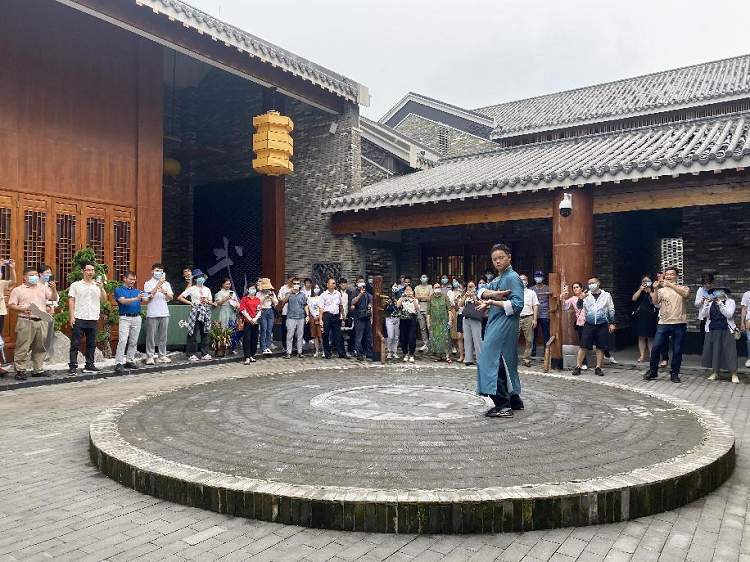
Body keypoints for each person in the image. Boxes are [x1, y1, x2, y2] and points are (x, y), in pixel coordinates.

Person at [476, 244, 524, 418]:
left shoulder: (512, 277)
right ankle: (513, 399)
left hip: (504, 323)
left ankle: (502, 405)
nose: (497, 261)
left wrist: (492, 302)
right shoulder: (499, 278)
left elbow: (518, 304)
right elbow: (480, 290)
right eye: (494, 259)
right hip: (498, 323)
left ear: (509, 257)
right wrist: (492, 294)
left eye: (501, 258)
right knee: (504, 360)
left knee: (489, 360)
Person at [644, 266, 691, 383]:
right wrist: (655, 290)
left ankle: (674, 373)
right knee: (656, 347)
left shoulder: (683, 288)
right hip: (663, 323)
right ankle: (653, 371)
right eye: (667, 274)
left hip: (679, 322)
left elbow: (686, 295)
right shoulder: (661, 290)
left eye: (672, 274)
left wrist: (670, 285)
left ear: (677, 276)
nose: (669, 276)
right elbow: (655, 302)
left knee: (677, 349)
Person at [8, 267, 55, 380]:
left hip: (41, 320)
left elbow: (53, 298)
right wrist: (22, 308)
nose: (35, 277)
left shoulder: (43, 288)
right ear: (25, 277)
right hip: (26, 321)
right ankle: (20, 370)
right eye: (31, 275)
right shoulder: (18, 290)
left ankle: (38, 370)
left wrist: (53, 289)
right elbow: (11, 305)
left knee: (40, 346)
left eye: (36, 275)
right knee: (22, 347)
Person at [572, 277, 616, 377]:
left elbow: (611, 309)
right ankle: (578, 367)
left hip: (602, 324)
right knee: (583, 346)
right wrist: (581, 298)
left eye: (593, 282)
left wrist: (612, 323)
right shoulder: (586, 295)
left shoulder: (606, 295)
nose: (591, 285)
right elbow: (579, 307)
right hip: (589, 324)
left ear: (598, 283)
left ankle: (598, 368)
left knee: (600, 347)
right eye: (589, 283)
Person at [68, 261, 106, 375]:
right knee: (75, 344)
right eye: (88, 270)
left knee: (91, 343)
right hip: (79, 317)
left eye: (92, 270)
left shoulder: (97, 285)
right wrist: (72, 316)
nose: (91, 272)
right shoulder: (75, 285)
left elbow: (104, 299)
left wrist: (102, 288)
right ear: (82, 271)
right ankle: (73, 366)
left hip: (93, 318)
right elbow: (71, 300)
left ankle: (89, 365)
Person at [699, 287, 740, 383]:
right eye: (715, 291)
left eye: (720, 290)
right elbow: (704, 315)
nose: (717, 292)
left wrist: (721, 304)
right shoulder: (710, 302)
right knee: (714, 351)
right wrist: (705, 304)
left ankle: (734, 374)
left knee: (729, 352)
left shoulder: (730, 302)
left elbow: (729, 315)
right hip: (713, 328)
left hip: (726, 329)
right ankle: (715, 372)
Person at [177, 269, 213, 362]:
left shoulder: (207, 289)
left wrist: (207, 301)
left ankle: (205, 353)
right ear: (195, 279)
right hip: (196, 311)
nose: (201, 279)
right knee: (193, 332)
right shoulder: (192, 288)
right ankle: (191, 353)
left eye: (202, 277)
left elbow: (211, 301)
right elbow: (180, 297)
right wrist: (190, 303)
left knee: (205, 332)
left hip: (205, 310)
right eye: (198, 277)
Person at [114, 270, 145, 373]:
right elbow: (123, 301)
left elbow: (147, 299)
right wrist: (137, 298)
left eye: (134, 279)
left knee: (134, 341)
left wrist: (152, 293)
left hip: (137, 317)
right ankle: (118, 362)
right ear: (125, 278)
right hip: (125, 318)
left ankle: (129, 360)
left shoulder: (137, 291)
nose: (132, 281)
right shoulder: (119, 290)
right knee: (123, 340)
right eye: (131, 279)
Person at [143, 263, 173, 365]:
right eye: (157, 271)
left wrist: (164, 292)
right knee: (150, 336)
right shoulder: (147, 283)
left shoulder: (167, 284)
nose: (159, 273)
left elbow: (170, 297)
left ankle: (162, 355)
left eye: (160, 271)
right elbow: (147, 297)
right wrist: (158, 285)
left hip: (164, 313)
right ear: (152, 271)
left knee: (163, 336)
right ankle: (150, 356)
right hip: (152, 313)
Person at [560, 282, 589, 370]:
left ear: (581, 288)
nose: (575, 289)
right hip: (581, 323)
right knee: (583, 343)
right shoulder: (573, 299)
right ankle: (583, 362)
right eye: (574, 288)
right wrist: (562, 298)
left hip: (591, 321)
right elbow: (565, 307)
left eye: (577, 287)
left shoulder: (588, 296)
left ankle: (606, 353)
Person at [632, 275, 659, 363]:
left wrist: (650, 291)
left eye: (648, 281)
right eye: (644, 281)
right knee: (641, 336)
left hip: (651, 315)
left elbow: (655, 301)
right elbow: (634, 299)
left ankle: (652, 355)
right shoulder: (639, 290)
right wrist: (640, 290)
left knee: (651, 337)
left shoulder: (654, 290)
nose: (646, 283)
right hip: (641, 316)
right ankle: (642, 355)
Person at [282, 278, 308, 359]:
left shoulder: (302, 294)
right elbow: (284, 301)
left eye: (298, 283)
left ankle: (299, 352)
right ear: (292, 284)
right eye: (295, 283)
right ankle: (288, 352)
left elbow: (305, 305)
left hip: (301, 317)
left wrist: (307, 315)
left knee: (300, 335)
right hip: (291, 317)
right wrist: (291, 292)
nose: (296, 285)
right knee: (290, 335)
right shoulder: (288, 293)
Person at [320, 277, 346, 359]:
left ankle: (341, 353)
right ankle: (327, 353)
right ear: (327, 285)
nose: (333, 284)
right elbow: (321, 308)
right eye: (332, 283)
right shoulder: (323, 295)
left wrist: (343, 314)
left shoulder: (338, 293)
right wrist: (320, 319)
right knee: (326, 335)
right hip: (327, 315)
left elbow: (341, 305)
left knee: (338, 335)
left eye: (334, 283)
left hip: (336, 315)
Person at [427, 282, 453, 362]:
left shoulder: (445, 297)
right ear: (433, 288)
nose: (437, 288)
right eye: (436, 287)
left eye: (438, 287)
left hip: (444, 321)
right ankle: (438, 356)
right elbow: (428, 312)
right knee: (436, 338)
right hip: (434, 322)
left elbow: (449, 310)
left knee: (446, 337)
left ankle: (448, 356)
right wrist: (428, 323)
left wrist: (450, 321)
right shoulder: (430, 298)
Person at [518, 274, 539, 368]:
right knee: (513, 339)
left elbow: (535, 306)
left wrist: (535, 319)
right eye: (521, 279)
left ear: (527, 281)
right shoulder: (514, 292)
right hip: (516, 318)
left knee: (529, 340)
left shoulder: (532, 293)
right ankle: (512, 358)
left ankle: (527, 359)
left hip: (528, 317)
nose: (522, 281)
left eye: (524, 279)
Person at [529, 270, 551, 358]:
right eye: (536, 276)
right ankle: (533, 351)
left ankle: (546, 352)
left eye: (540, 276)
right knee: (533, 334)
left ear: (543, 278)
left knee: (546, 334)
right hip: (534, 315)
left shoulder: (548, 288)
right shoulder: (531, 289)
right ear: (534, 277)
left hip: (545, 314)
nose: (538, 278)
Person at [350, 276, 373, 361]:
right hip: (359, 317)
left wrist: (370, 305)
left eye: (363, 281)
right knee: (359, 336)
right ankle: (359, 353)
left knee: (368, 336)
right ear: (356, 283)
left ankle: (369, 352)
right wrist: (360, 294)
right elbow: (353, 302)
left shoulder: (367, 293)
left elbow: (371, 301)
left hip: (366, 316)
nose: (362, 283)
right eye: (360, 281)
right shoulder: (355, 292)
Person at [239, 284, 261, 364]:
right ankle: (247, 356)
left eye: (254, 288)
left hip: (255, 321)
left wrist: (255, 319)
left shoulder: (257, 299)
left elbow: (259, 310)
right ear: (248, 290)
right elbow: (243, 310)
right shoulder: (245, 299)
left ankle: (252, 354)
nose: (253, 290)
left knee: (254, 338)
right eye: (251, 288)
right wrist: (250, 319)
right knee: (247, 338)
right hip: (247, 321)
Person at [397, 286, 417, 362]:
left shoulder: (415, 299)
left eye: (410, 290)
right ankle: (405, 353)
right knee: (403, 336)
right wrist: (403, 296)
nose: (408, 291)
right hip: (403, 318)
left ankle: (411, 354)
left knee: (411, 336)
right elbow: (397, 305)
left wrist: (413, 298)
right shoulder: (402, 299)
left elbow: (417, 308)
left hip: (412, 317)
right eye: (406, 290)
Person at [257, 278, 278, 354]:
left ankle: (268, 346)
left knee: (269, 330)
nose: (266, 289)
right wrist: (264, 298)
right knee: (263, 329)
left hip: (270, 311)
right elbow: (257, 304)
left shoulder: (271, 292)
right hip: (262, 311)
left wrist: (271, 298)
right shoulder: (258, 294)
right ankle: (263, 347)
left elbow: (276, 303)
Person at [695, 273, 715, 349]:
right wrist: (702, 301)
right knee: (704, 338)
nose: (707, 285)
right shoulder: (701, 290)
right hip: (704, 317)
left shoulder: (717, 290)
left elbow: (723, 301)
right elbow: (696, 304)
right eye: (705, 283)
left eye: (709, 283)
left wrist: (713, 300)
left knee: (715, 338)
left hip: (715, 317)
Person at [415, 274, 433, 352]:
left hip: (428, 308)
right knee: (422, 327)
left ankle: (432, 343)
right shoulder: (417, 287)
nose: (424, 278)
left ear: (427, 278)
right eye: (423, 277)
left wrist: (421, 297)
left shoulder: (430, 287)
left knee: (430, 326)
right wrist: (426, 297)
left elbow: (431, 297)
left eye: (425, 277)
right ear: (420, 279)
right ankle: (425, 343)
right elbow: (416, 296)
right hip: (420, 308)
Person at [383, 282, 401, 360]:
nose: (396, 288)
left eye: (396, 286)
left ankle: (395, 351)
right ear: (391, 287)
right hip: (389, 318)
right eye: (394, 286)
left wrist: (397, 302)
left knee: (396, 336)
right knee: (390, 336)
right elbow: (383, 307)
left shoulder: (399, 296)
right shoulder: (386, 297)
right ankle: (389, 351)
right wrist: (387, 303)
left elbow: (400, 306)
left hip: (397, 317)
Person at [277, 275, 295, 354]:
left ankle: (293, 345)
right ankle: (285, 345)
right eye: (290, 281)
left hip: (294, 311)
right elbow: (280, 298)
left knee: (294, 328)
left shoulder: (296, 288)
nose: (292, 283)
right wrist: (286, 299)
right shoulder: (283, 288)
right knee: (285, 329)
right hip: (285, 311)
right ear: (287, 280)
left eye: (293, 281)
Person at [339, 278, 356, 355]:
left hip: (348, 314)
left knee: (350, 332)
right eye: (342, 283)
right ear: (339, 285)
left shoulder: (350, 293)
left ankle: (350, 348)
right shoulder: (337, 293)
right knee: (339, 332)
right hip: (339, 315)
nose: (343, 285)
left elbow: (352, 303)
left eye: (345, 283)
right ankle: (340, 348)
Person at [307, 284, 323, 357]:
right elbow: (310, 307)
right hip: (312, 317)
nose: (316, 289)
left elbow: (322, 307)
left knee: (321, 335)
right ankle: (317, 350)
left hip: (320, 317)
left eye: (318, 287)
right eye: (315, 288)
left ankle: (324, 350)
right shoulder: (310, 298)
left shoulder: (321, 297)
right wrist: (314, 316)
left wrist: (319, 316)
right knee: (315, 335)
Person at [742, 289, 750, 368]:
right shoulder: (747, 294)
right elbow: (744, 308)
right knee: (749, 340)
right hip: (749, 320)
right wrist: (742, 322)